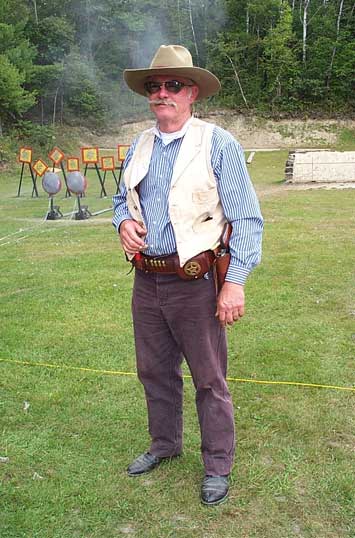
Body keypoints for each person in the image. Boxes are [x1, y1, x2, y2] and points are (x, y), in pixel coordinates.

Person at [112, 44, 263, 506]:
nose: (162, 93)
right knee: (154, 371)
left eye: (173, 85)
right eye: (155, 86)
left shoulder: (217, 143)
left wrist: (234, 281)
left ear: (192, 92)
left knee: (209, 378)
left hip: (197, 282)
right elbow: (121, 200)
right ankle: (164, 445)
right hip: (147, 279)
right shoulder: (139, 144)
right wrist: (124, 222)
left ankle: (218, 464)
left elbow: (248, 219)